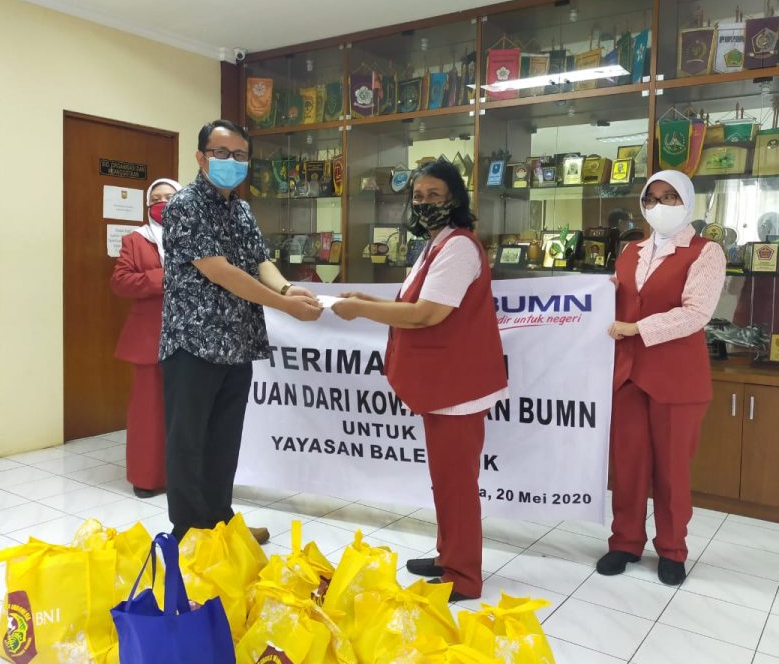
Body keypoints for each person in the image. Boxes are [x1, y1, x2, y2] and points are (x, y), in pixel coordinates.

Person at [332, 160, 507, 602]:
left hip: (457, 387)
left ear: (455, 198)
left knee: (456, 484)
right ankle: (450, 555)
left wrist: (362, 310)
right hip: (442, 385)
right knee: (445, 480)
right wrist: (366, 298)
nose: (425, 203)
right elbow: (414, 302)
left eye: (434, 195)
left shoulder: (459, 247)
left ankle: (463, 576)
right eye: (418, 196)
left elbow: (427, 314)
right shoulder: (435, 244)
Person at [160, 119, 323, 543]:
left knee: (224, 440)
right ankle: (190, 533)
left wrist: (286, 288)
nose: (230, 161)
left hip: (237, 342)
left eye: (239, 155)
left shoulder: (242, 209)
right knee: (188, 442)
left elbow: (259, 261)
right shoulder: (185, 206)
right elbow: (220, 271)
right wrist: (284, 306)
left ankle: (221, 522)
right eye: (221, 153)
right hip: (193, 343)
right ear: (201, 157)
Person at [598, 170, 726, 586]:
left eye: (670, 197)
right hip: (628, 375)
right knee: (628, 466)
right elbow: (620, 299)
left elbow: (696, 313)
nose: (659, 205)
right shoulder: (630, 251)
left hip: (676, 377)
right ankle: (625, 542)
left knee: (672, 470)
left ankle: (672, 549)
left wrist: (638, 329)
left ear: (687, 202)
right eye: (651, 198)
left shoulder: (706, 252)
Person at [110, 178, 181, 498]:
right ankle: (147, 478)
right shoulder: (135, 240)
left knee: (187, 411)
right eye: (156, 198)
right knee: (148, 412)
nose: (162, 203)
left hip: (193, 335)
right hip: (148, 338)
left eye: (170, 197)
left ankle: (185, 476)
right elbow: (121, 282)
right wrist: (164, 278)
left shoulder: (199, 236)